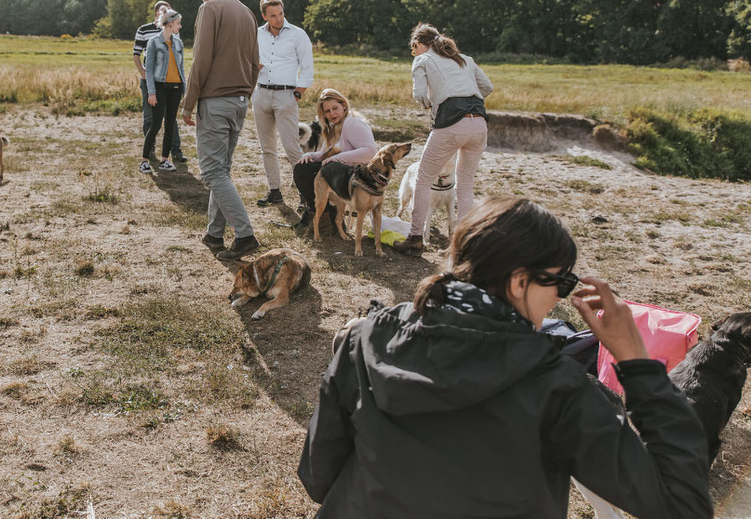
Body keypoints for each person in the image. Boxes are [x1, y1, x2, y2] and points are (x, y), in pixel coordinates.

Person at [298, 197, 712, 519]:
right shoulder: (557, 388)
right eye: (562, 283)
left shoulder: (366, 336)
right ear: (519, 282)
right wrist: (637, 362)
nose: (559, 299)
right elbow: (682, 505)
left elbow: (317, 478)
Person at [181, 0, 261, 261]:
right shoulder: (247, 12)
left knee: (212, 172)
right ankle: (214, 233)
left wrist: (189, 102)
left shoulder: (211, 9)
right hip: (240, 100)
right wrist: (247, 94)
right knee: (221, 170)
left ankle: (245, 234)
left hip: (215, 101)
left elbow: (200, 60)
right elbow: (256, 63)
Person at [393, 23, 493, 256]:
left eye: (413, 48)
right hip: (479, 122)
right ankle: (462, 244)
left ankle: (416, 237)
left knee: (423, 178)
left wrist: (434, 106)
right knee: (465, 184)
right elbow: (487, 87)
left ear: (417, 44)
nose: (413, 52)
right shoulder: (464, 58)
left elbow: (419, 94)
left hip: (451, 121)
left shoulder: (422, 60)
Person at [253, 0, 313, 207]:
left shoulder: (298, 35)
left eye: (280, 13)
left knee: (292, 147)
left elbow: (307, 68)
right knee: (266, 147)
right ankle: (274, 190)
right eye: (273, 15)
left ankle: (305, 194)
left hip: (286, 95)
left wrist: (297, 94)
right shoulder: (256, 34)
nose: (278, 19)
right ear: (264, 16)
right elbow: (246, 59)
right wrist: (254, 67)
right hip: (260, 93)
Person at [292, 89, 377, 231]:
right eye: (327, 111)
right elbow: (324, 154)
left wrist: (336, 158)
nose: (332, 114)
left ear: (344, 105)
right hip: (342, 174)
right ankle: (326, 216)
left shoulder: (353, 123)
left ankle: (330, 216)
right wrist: (309, 156)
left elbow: (370, 151)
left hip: (357, 178)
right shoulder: (332, 127)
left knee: (307, 170)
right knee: (302, 167)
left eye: (335, 108)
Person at [135, 0, 185, 162]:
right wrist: (151, 91)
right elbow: (147, 67)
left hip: (176, 87)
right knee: (154, 123)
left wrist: (184, 88)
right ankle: (146, 157)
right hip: (159, 86)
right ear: (169, 24)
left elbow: (181, 66)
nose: (180, 26)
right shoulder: (153, 41)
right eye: (178, 23)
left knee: (171, 123)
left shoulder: (178, 42)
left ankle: (166, 158)